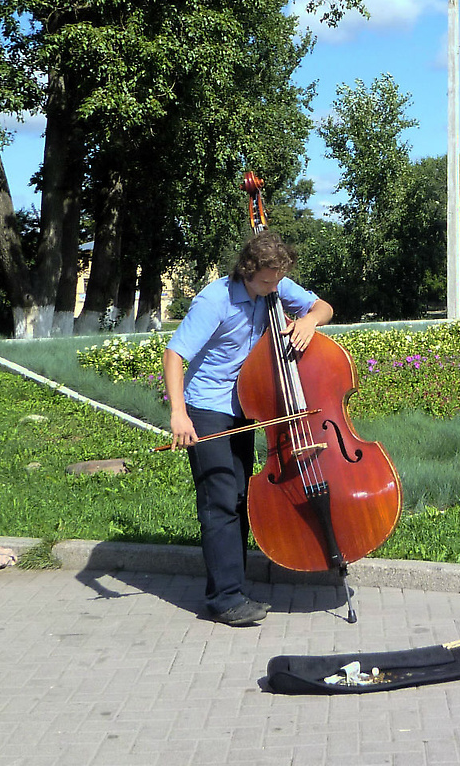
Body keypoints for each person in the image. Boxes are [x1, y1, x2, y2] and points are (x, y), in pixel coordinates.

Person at [162, 231, 333, 626]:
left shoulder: (274, 284)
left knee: (239, 496)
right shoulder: (214, 301)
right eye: (268, 282)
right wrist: (178, 414)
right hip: (206, 408)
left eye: (279, 281)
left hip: (245, 404)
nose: (275, 290)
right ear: (247, 271)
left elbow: (323, 307)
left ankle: (233, 587)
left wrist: (309, 320)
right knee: (220, 498)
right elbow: (174, 354)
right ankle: (223, 599)